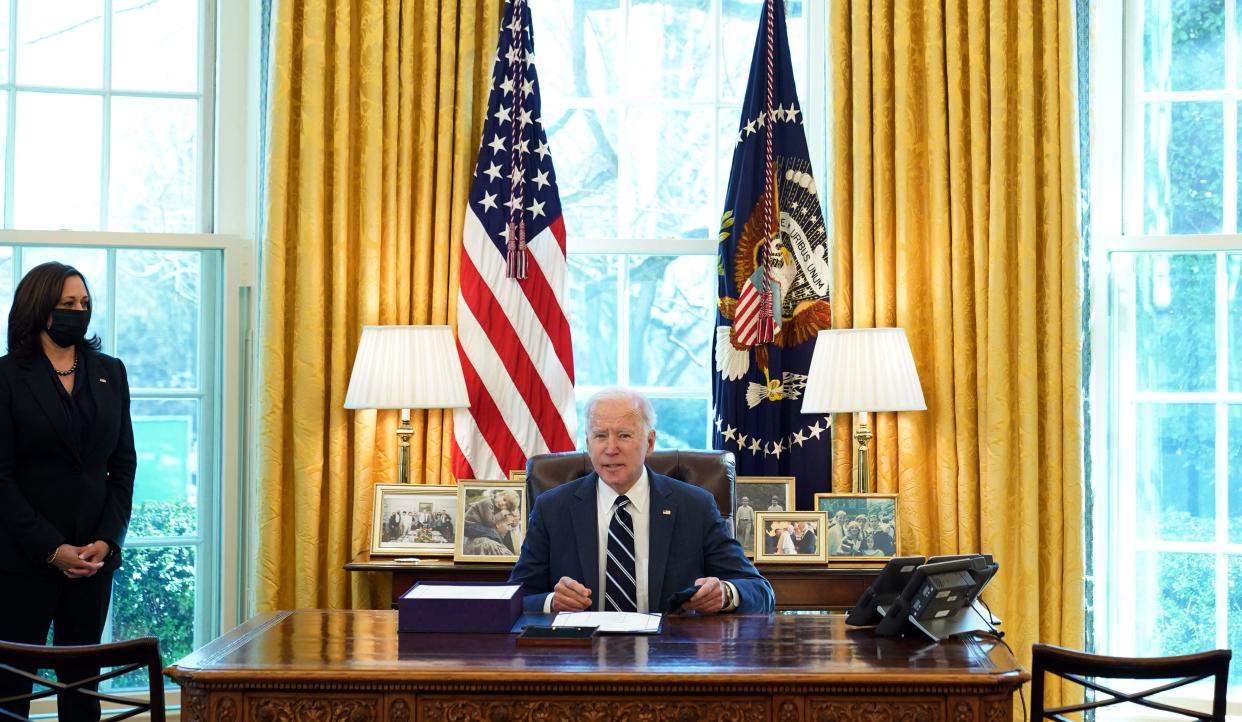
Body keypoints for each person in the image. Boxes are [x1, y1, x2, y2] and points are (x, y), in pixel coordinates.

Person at [0, 262, 136, 721]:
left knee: (82, 692)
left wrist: (108, 539)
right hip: (23, 561)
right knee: (11, 691)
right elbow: (0, 478)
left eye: (84, 303)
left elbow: (122, 464)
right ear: (41, 311)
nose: (80, 312)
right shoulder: (5, 377)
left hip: (93, 560)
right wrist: (51, 548)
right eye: (67, 305)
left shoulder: (110, 372)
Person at [509, 387, 774, 614]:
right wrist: (552, 602)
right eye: (600, 436)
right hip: (582, 659)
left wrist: (725, 594)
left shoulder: (695, 507)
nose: (611, 448)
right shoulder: (553, 508)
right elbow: (514, 599)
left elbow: (760, 592)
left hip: (669, 658)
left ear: (649, 442)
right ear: (588, 443)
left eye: (624, 435)